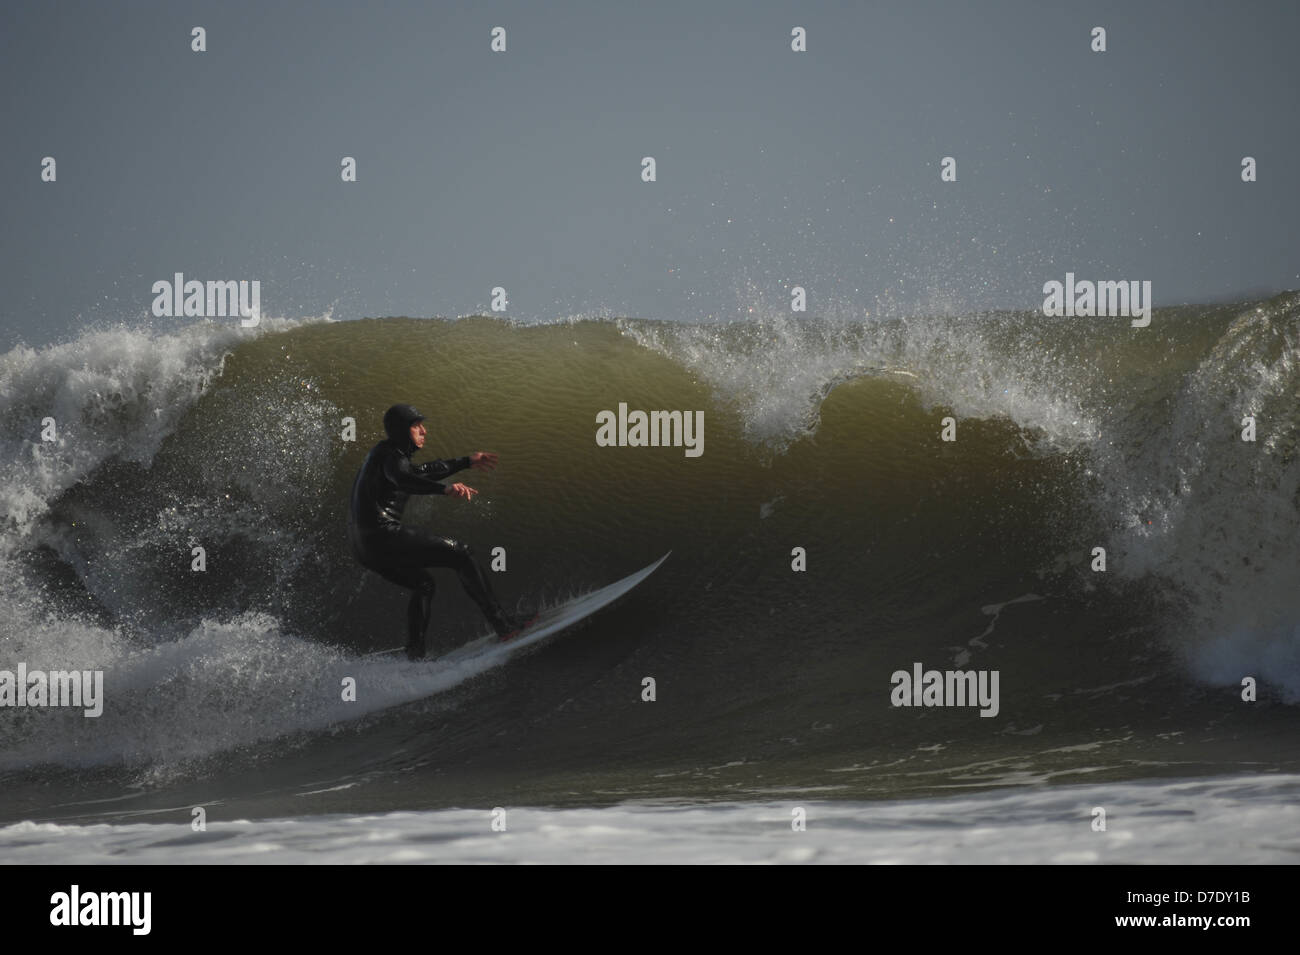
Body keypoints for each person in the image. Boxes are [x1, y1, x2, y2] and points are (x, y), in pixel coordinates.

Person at [348, 403, 530, 659]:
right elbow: (403, 480)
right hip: (381, 535)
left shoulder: (386, 454)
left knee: (423, 584)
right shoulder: (392, 458)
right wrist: (444, 489)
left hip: (365, 547)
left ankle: (415, 653)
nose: (424, 431)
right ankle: (504, 625)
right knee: (462, 554)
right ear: (402, 431)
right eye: (416, 426)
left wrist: (467, 461)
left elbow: (422, 471)